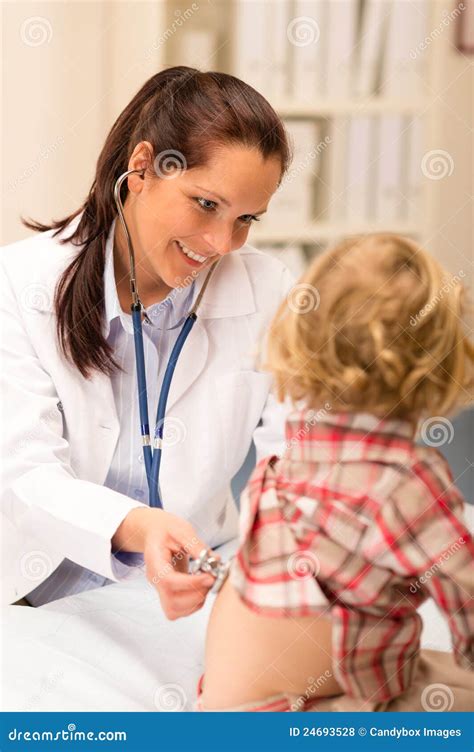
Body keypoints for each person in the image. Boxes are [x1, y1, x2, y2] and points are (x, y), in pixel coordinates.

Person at [0, 66, 295, 610]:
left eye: (246, 218)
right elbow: (23, 470)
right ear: (142, 168)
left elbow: (295, 463)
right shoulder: (17, 285)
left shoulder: (272, 291)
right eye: (206, 204)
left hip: (203, 586)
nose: (221, 243)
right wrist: (139, 527)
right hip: (42, 595)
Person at [198, 233, 474, 712]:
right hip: (308, 714)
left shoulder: (292, 455)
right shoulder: (405, 480)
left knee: (437, 673)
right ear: (441, 363)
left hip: (228, 705)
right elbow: (465, 592)